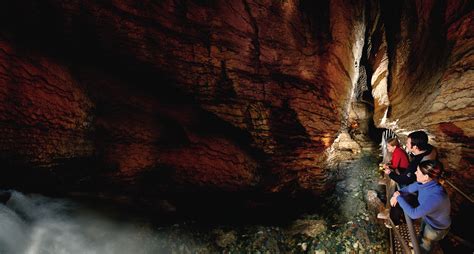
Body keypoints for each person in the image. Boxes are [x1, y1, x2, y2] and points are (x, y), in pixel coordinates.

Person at [390, 160, 451, 253]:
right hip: (429, 218)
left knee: (426, 243)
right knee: (421, 233)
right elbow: (409, 188)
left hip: (437, 227)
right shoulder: (425, 183)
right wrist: (397, 193)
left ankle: (421, 251)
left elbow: (414, 214)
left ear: (426, 177)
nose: (415, 172)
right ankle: (417, 245)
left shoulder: (436, 196)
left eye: (417, 171)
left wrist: (398, 197)